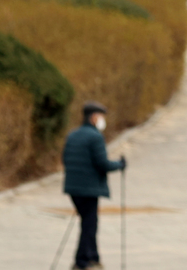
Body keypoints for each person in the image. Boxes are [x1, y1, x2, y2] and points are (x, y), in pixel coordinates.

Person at [62, 101, 126, 270]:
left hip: (73, 188)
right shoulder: (95, 137)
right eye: (101, 117)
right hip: (88, 189)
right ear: (93, 117)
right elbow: (102, 163)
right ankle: (81, 261)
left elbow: (65, 159)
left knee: (89, 222)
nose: (102, 120)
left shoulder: (73, 134)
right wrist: (120, 165)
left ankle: (92, 257)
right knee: (89, 225)